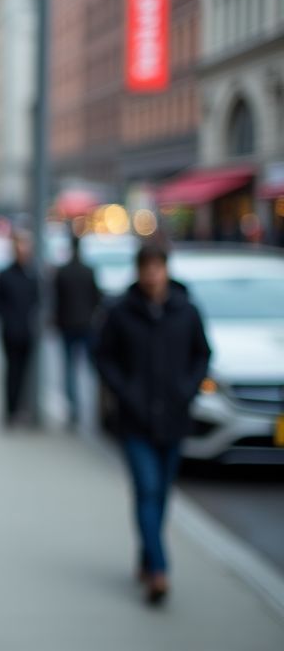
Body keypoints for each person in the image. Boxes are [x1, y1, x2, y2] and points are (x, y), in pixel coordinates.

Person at [93, 242, 210, 605]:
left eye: (157, 268)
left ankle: (147, 555)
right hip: (135, 419)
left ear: (166, 269)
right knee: (146, 489)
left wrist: (187, 389)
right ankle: (159, 570)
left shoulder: (186, 310)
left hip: (174, 418)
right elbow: (101, 355)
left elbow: (202, 354)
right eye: (146, 268)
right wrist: (123, 391)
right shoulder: (121, 312)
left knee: (161, 493)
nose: (151, 275)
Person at [0, 231, 40, 426]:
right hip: (10, 332)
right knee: (11, 372)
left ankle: (21, 408)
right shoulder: (5, 275)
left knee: (24, 372)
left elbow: (37, 301)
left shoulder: (32, 275)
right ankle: (10, 410)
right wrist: (8, 319)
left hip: (27, 332)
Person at [52, 233, 103, 427]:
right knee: (92, 370)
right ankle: (95, 408)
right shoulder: (88, 271)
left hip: (67, 325)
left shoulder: (63, 271)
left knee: (69, 369)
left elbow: (56, 300)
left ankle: (74, 409)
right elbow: (96, 298)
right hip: (86, 325)